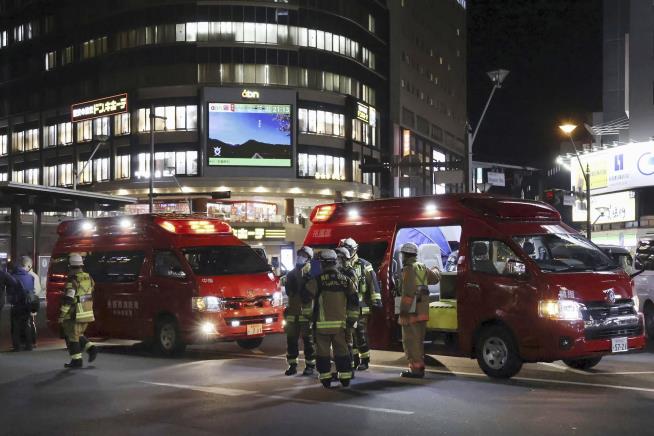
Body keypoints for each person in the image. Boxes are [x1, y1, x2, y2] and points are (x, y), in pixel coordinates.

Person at [306, 249, 358, 388]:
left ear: (323, 263)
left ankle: (326, 379)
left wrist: (309, 316)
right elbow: (354, 302)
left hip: (322, 326)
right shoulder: (346, 281)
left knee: (322, 353)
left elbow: (306, 299)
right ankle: (345, 378)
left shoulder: (316, 281)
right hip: (341, 326)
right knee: (342, 351)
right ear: (335, 262)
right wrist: (351, 321)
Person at [337, 237, 382, 371]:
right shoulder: (340, 265)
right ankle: (354, 359)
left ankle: (365, 360)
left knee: (360, 334)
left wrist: (376, 300)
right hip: (346, 307)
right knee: (349, 335)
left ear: (354, 250)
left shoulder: (364, 265)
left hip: (362, 307)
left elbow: (372, 284)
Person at [397, 242, 440, 378]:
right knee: (418, 341)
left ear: (405, 255)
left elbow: (408, 294)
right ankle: (419, 367)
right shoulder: (421, 266)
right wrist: (436, 269)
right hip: (422, 311)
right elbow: (435, 278)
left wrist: (402, 312)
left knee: (410, 341)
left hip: (411, 312)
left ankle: (415, 370)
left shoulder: (408, 269)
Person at [59, 253, 98, 369]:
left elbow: (69, 299)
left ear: (70, 266)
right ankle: (91, 349)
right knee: (78, 334)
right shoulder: (89, 277)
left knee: (72, 337)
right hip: (87, 312)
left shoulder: (73, 280)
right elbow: (91, 290)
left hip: (74, 314)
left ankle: (77, 361)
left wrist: (62, 314)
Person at [282, 246, 316, 376]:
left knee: (308, 342)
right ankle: (292, 365)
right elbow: (288, 294)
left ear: (309, 258)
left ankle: (310, 366)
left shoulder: (312, 272)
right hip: (292, 314)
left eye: (304, 255)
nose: (300, 257)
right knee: (291, 341)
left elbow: (313, 292)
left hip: (306, 314)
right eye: (299, 254)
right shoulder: (291, 273)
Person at [335, 246, 358, 375]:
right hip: (341, 313)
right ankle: (348, 369)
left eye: (339, 258)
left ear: (344, 259)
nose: (337, 261)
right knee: (343, 342)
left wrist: (351, 318)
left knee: (347, 342)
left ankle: (349, 370)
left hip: (347, 313)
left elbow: (352, 297)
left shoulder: (349, 273)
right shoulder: (341, 273)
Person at [7, 260, 35, 351]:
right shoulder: (30, 277)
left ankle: (17, 346)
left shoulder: (13, 277)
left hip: (17, 304)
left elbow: (11, 292)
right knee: (27, 325)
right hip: (28, 304)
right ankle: (29, 345)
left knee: (16, 325)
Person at [21, 256, 40, 347]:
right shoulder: (34, 275)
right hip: (34, 301)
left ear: (29, 266)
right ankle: (32, 341)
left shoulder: (31, 276)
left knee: (30, 322)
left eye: (23, 265)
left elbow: (35, 290)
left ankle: (32, 341)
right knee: (31, 321)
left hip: (31, 301)